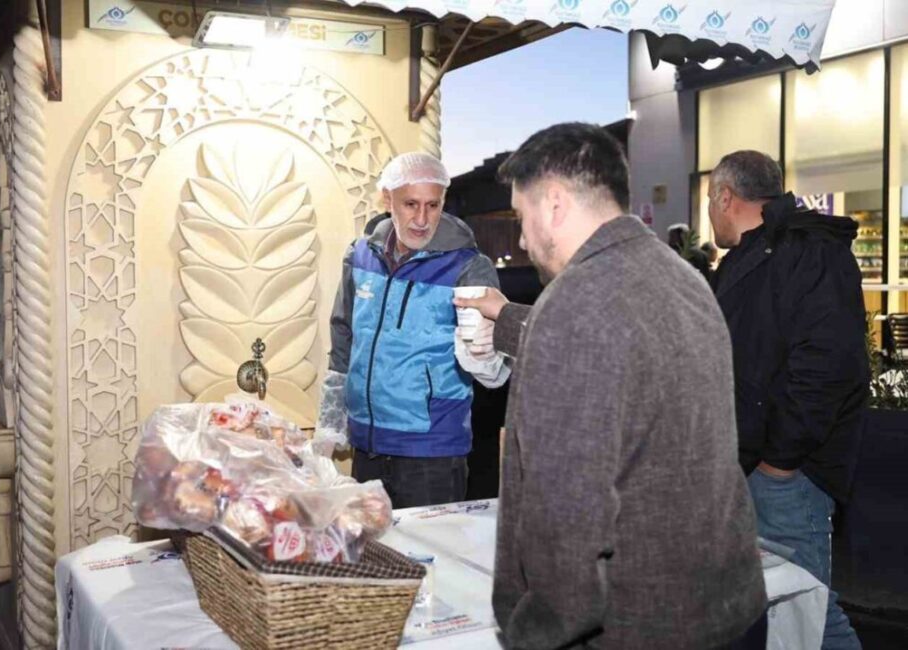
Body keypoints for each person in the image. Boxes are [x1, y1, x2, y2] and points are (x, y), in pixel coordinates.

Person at [455, 123, 766, 649]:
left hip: (642, 628)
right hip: (728, 611)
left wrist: (535, 634)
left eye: (521, 217)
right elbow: (619, 351)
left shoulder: (574, 306)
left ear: (554, 204)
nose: (524, 238)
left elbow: (569, 518)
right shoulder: (681, 277)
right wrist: (505, 316)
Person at [707, 150, 868, 650]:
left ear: (726, 197)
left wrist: (779, 462)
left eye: (711, 201)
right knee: (780, 615)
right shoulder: (756, 256)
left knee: (808, 615)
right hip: (754, 469)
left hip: (785, 477)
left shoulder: (807, 251)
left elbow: (827, 368)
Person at [314, 152, 510, 508]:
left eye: (433, 205)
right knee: (371, 555)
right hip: (367, 444)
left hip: (430, 452)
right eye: (410, 204)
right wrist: (331, 419)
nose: (422, 219)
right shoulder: (359, 255)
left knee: (430, 561)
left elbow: (494, 362)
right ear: (388, 200)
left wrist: (488, 353)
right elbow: (343, 333)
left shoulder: (468, 268)